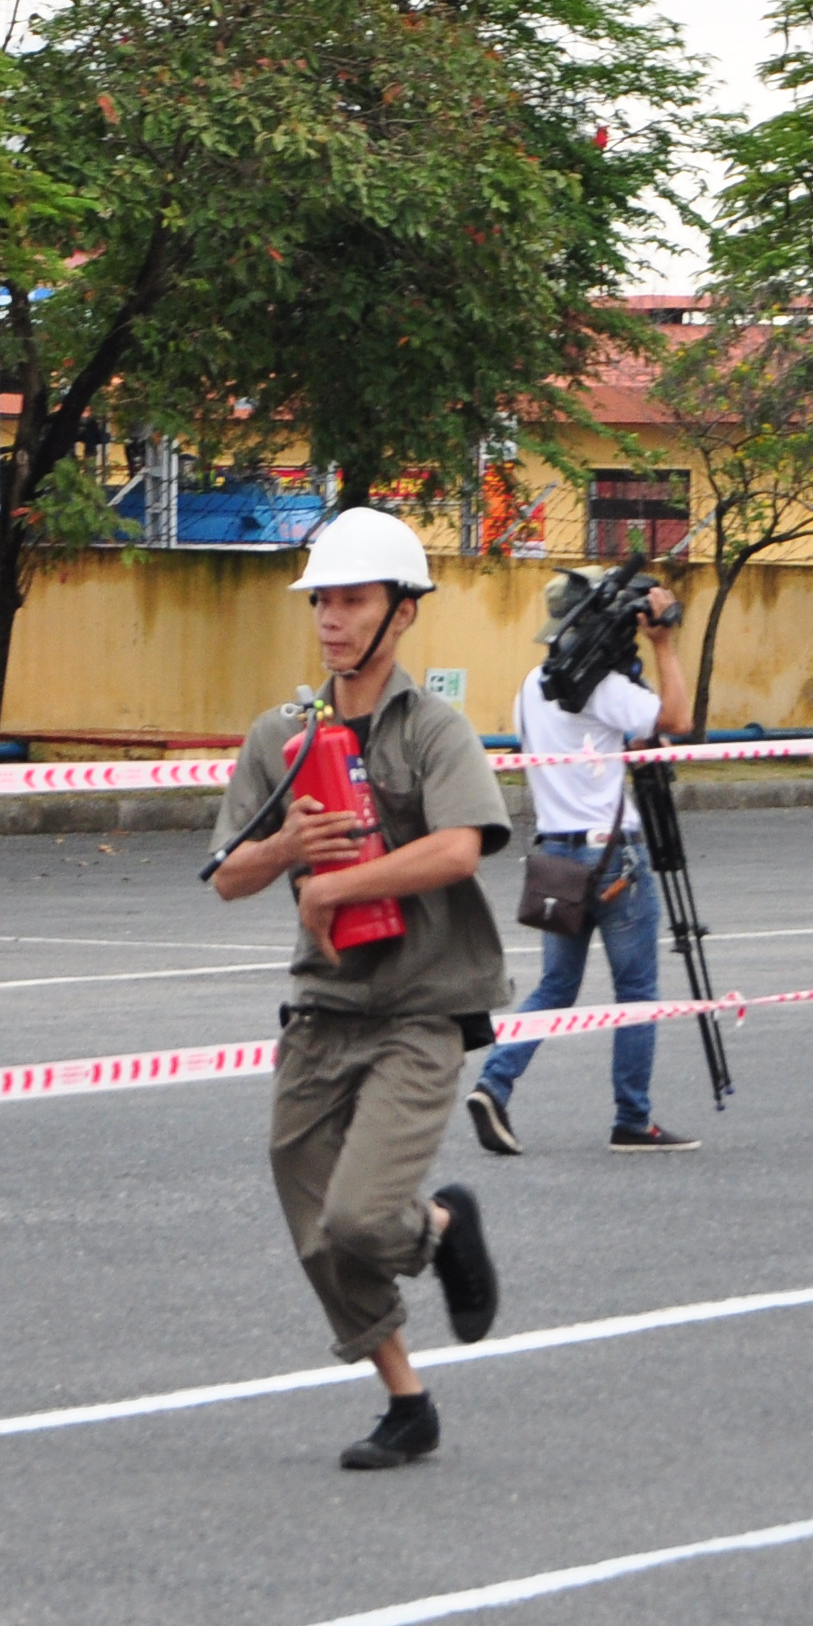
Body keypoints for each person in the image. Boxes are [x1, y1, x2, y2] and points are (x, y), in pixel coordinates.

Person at [205, 508, 514, 1472]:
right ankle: (406, 1400)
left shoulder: (435, 730)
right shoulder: (281, 736)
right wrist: (289, 850)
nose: (333, 620)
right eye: (323, 601)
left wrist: (339, 883)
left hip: (421, 1008)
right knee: (315, 1229)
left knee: (360, 1219)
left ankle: (437, 1223)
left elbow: (462, 846)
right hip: (323, 1009)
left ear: (401, 614)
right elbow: (227, 875)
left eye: (354, 601)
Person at [467, 570, 698, 1155]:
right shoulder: (602, 685)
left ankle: (494, 1085)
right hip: (614, 855)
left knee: (555, 986)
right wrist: (664, 643)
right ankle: (632, 1118)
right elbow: (676, 720)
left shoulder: (531, 684)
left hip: (556, 857)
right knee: (638, 990)